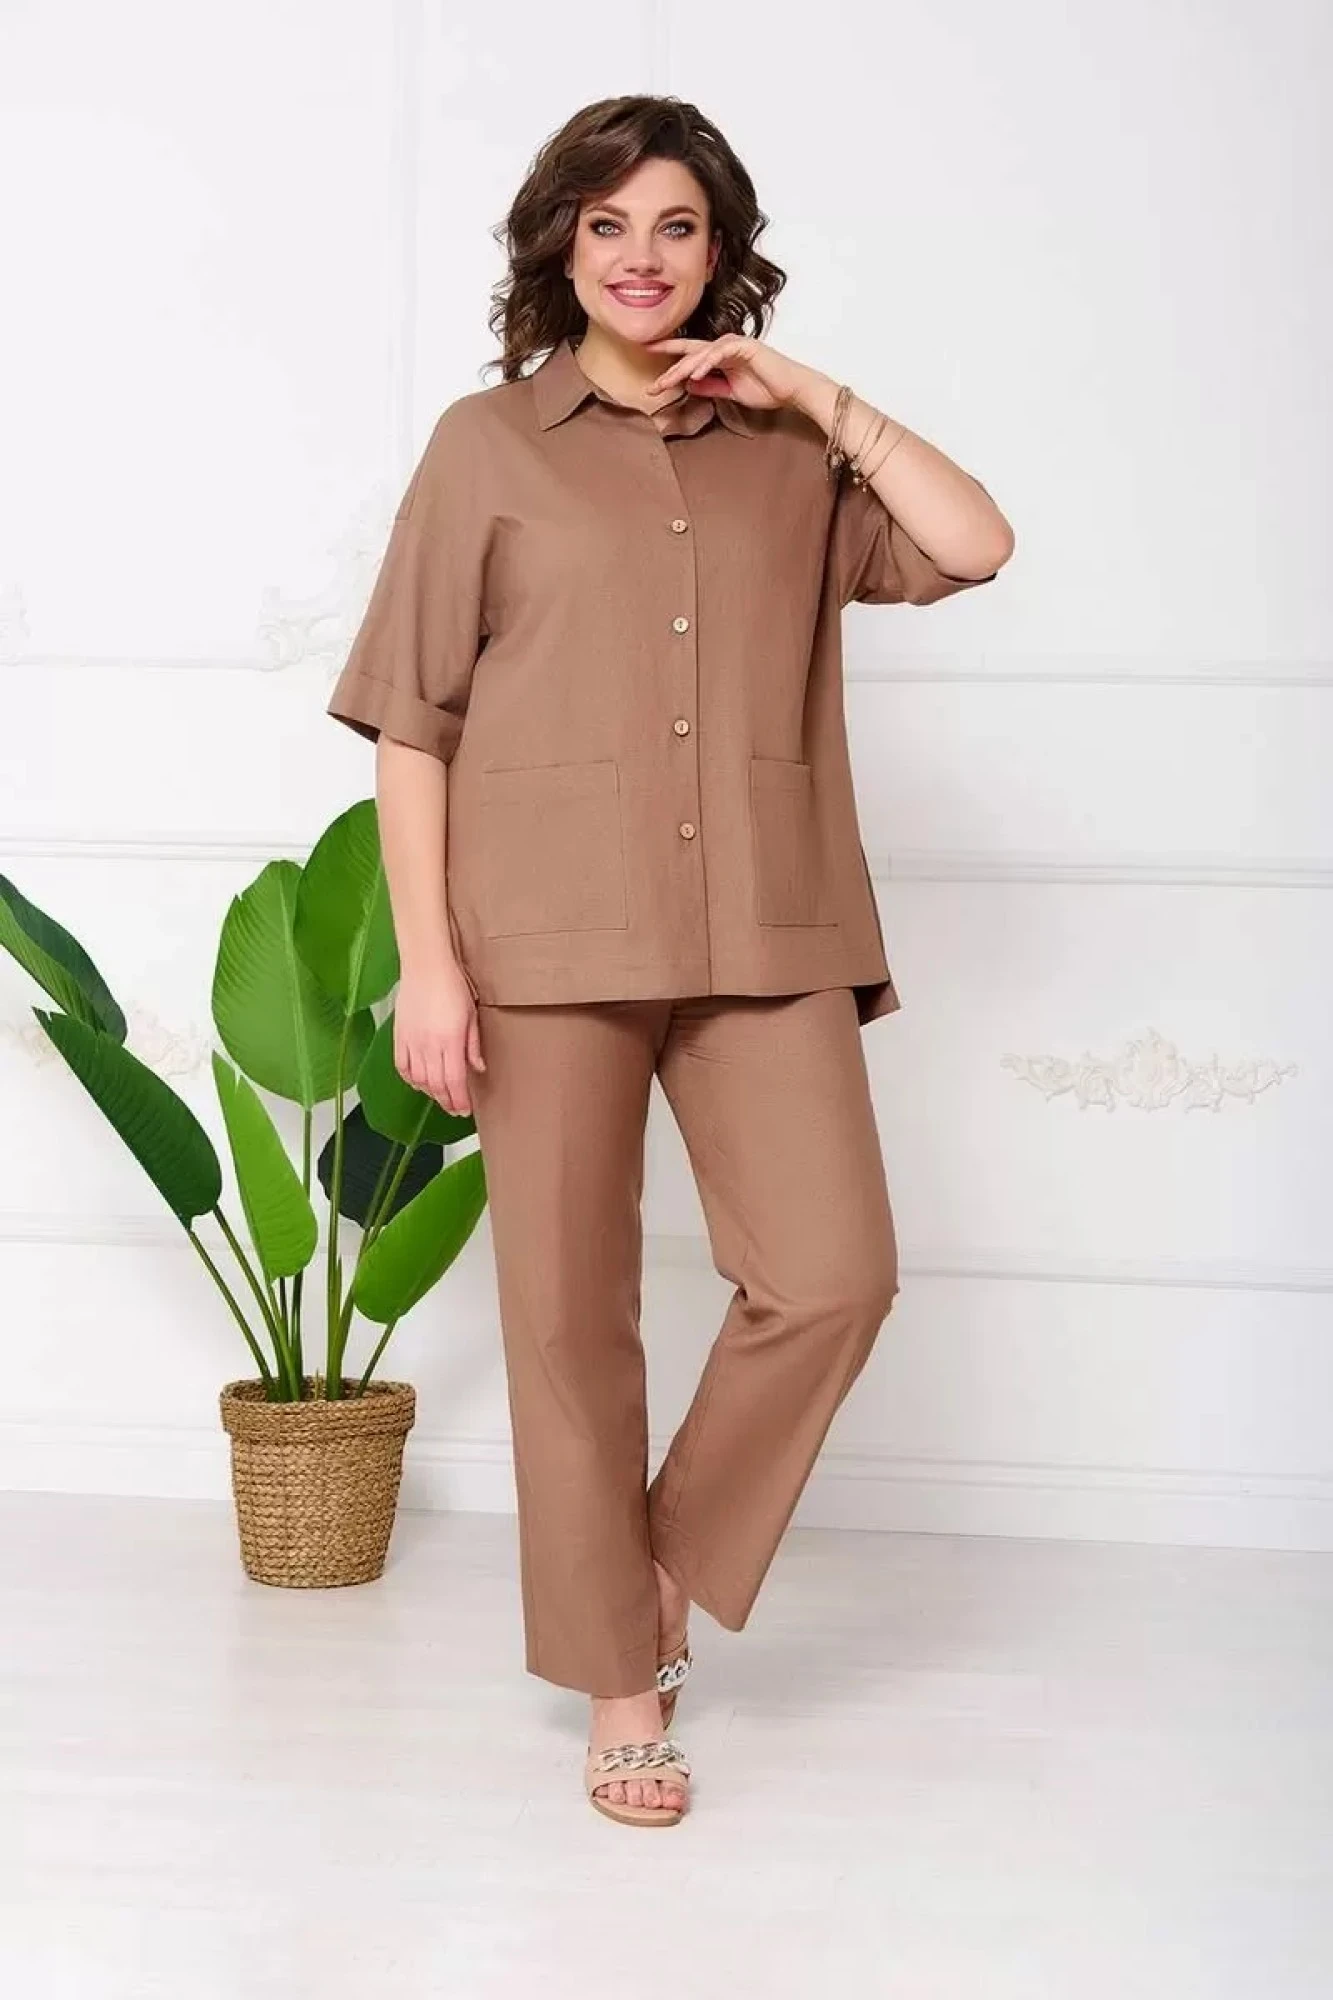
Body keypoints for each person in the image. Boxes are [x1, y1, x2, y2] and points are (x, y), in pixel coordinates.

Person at [326, 93, 1014, 1829]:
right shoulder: (486, 446)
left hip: (764, 929)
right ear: (562, 246)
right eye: (609, 224)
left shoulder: (790, 454)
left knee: (834, 1276)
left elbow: (974, 543)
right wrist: (431, 966)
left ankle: (650, 1571)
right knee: (572, 1322)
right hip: (541, 941)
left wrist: (815, 395)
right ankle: (625, 1689)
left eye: (678, 226)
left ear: (723, 253)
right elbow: (414, 724)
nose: (642, 257)